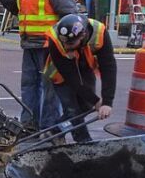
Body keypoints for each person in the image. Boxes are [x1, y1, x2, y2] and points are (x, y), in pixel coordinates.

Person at [0, 0, 77, 132]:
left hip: (50, 47)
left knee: (51, 91)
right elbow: (18, 8)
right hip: (30, 45)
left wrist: (67, 45)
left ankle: (51, 129)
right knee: (29, 87)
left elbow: (70, 15)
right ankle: (29, 126)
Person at [43, 14, 115, 143]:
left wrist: (107, 102)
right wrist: (96, 100)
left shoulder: (100, 33)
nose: (66, 47)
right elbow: (72, 78)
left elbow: (108, 68)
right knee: (73, 110)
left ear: (82, 36)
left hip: (84, 68)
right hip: (60, 73)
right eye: (64, 42)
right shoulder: (55, 38)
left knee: (85, 106)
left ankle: (54, 132)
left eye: (70, 43)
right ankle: (84, 142)